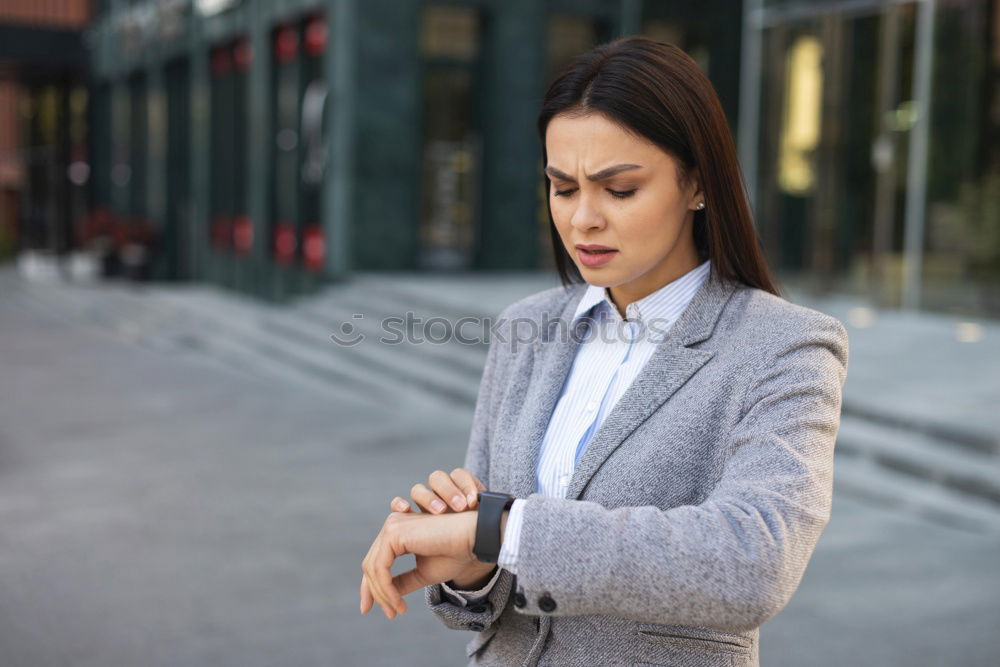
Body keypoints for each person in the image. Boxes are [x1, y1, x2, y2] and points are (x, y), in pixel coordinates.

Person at [359, 35, 849, 667]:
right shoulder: (526, 329)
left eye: (619, 190)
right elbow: (501, 573)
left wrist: (502, 529)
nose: (583, 219)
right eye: (563, 188)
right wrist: (472, 566)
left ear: (697, 184)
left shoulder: (782, 346)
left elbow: (753, 561)